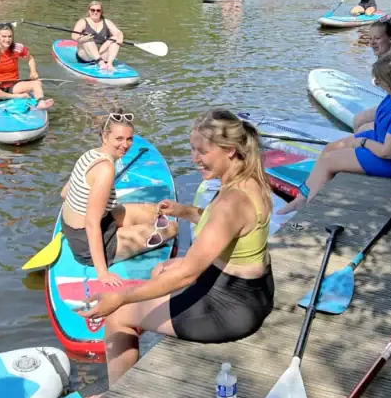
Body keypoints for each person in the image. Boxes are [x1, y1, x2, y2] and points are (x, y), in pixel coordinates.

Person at [76, 109, 274, 382]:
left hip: (229, 309)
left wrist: (121, 297)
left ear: (229, 150)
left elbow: (188, 274)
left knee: (118, 316)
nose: (195, 158)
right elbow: (227, 228)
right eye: (192, 149)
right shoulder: (248, 179)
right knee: (161, 269)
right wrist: (185, 211)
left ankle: (116, 392)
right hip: (254, 291)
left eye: (202, 151)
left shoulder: (231, 202)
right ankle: (155, 327)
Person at [278, 54, 391, 214]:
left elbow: (387, 153)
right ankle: (301, 198)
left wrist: (362, 143)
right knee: (330, 148)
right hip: (381, 141)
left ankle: (311, 211)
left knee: (328, 161)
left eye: (380, 80)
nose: (376, 83)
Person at [60, 112, 178, 286]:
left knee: (157, 211)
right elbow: (91, 223)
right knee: (172, 228)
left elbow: (64, 193)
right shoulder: (105, 169)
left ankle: (127, 230)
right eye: (119, 139)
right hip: (86, 242)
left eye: (129, 139)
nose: (125, 145)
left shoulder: (90, 154)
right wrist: (103, 273)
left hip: (87, 223)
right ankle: (119, 241)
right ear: (105, 136)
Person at [71, 2, 124, 73]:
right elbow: (74, 35)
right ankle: (101, 63)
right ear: (89, 11)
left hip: (101, 53)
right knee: (87, 38)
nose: (95, 12)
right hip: (86, 56)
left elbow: (118, 32)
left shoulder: (107, 22)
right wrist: (81, 39)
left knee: (115, 38)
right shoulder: (83, 22)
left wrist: (120, 38)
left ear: (101, 12)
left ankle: (109, 64)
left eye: (98, 10)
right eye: (93, 10)